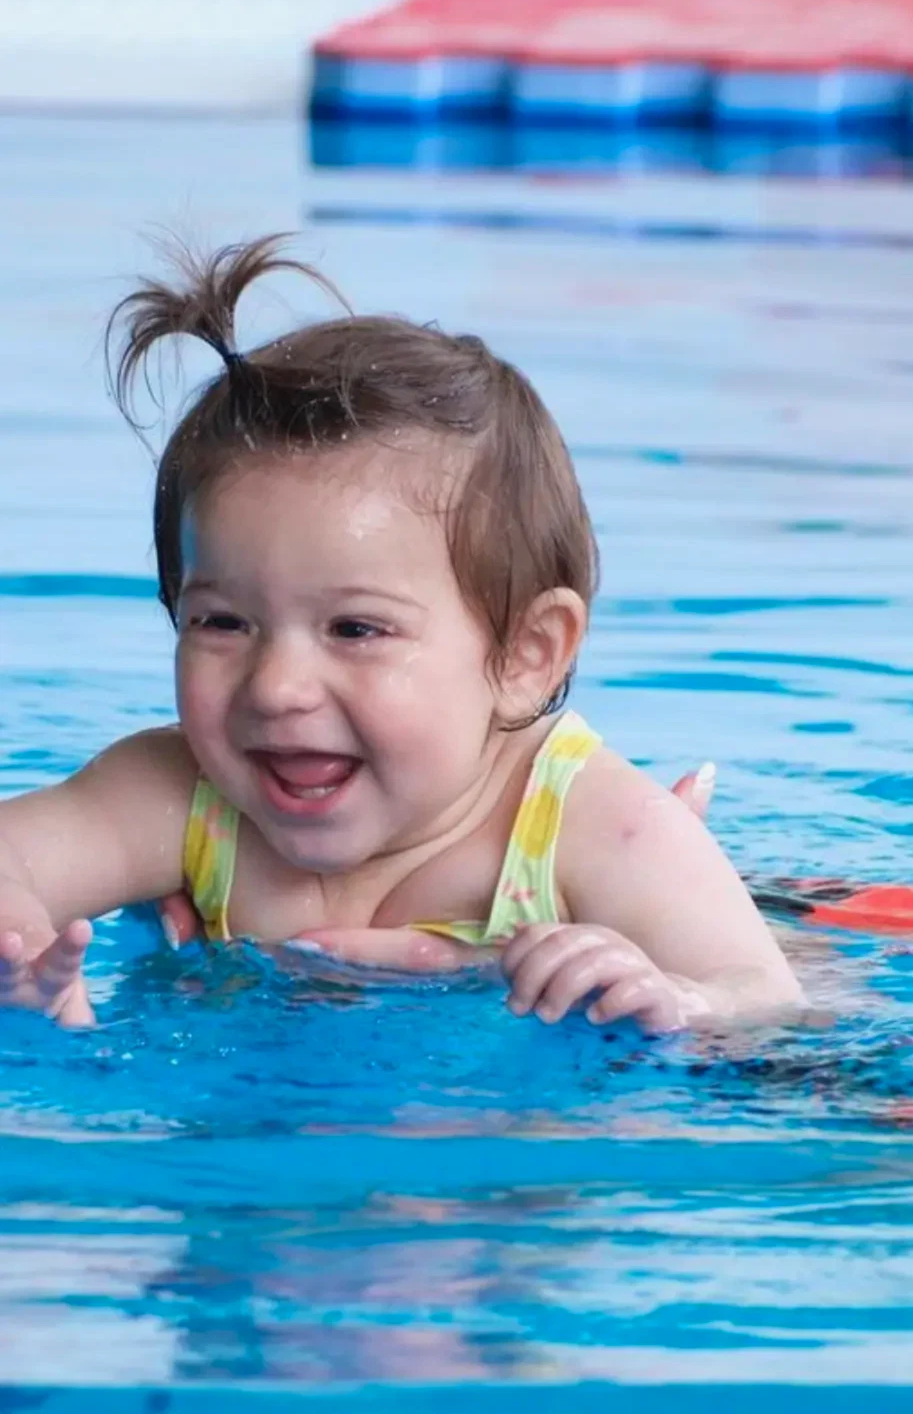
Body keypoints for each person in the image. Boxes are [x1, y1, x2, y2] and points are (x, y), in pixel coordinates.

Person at [0, 237, 799, 1032]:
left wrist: (678, 999)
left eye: (355, 628)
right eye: (223, 621)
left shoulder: (593, 828)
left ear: (526, 655)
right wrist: (23, 961)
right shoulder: (181, 795)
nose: (276, 687)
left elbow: (768, 1001)